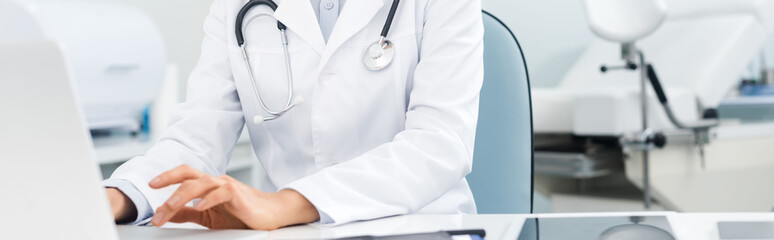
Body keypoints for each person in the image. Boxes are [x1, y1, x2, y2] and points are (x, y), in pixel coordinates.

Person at [104, 0, 484, 230]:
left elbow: (439, 143)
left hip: (421, 228)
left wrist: (282, 203)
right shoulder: (235, 5)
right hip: (292, 231)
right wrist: (119, 197)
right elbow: (196, 138)